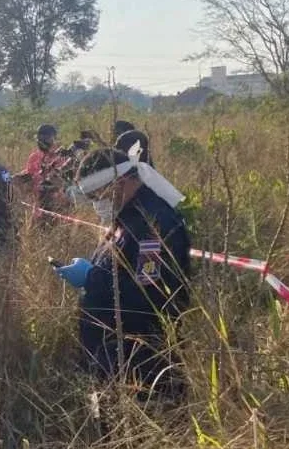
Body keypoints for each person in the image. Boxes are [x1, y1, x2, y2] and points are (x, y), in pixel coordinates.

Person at [53, 148, 191, 401]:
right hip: (112, 353)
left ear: (121, 182)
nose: (97, 203)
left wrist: (91, 278)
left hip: (140, 362)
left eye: (99, 195)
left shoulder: (153, 224)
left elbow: (149, 296)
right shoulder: (126, 216)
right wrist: (92, 269)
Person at [15, 124, 70, 216]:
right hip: (39, 204)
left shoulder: (62, 156)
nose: (43, 141)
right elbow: (30, 174)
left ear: (54, 139)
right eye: (40, 138)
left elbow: (64, 180)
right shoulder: (34, 157)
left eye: (47, 138)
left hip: (59, 203)